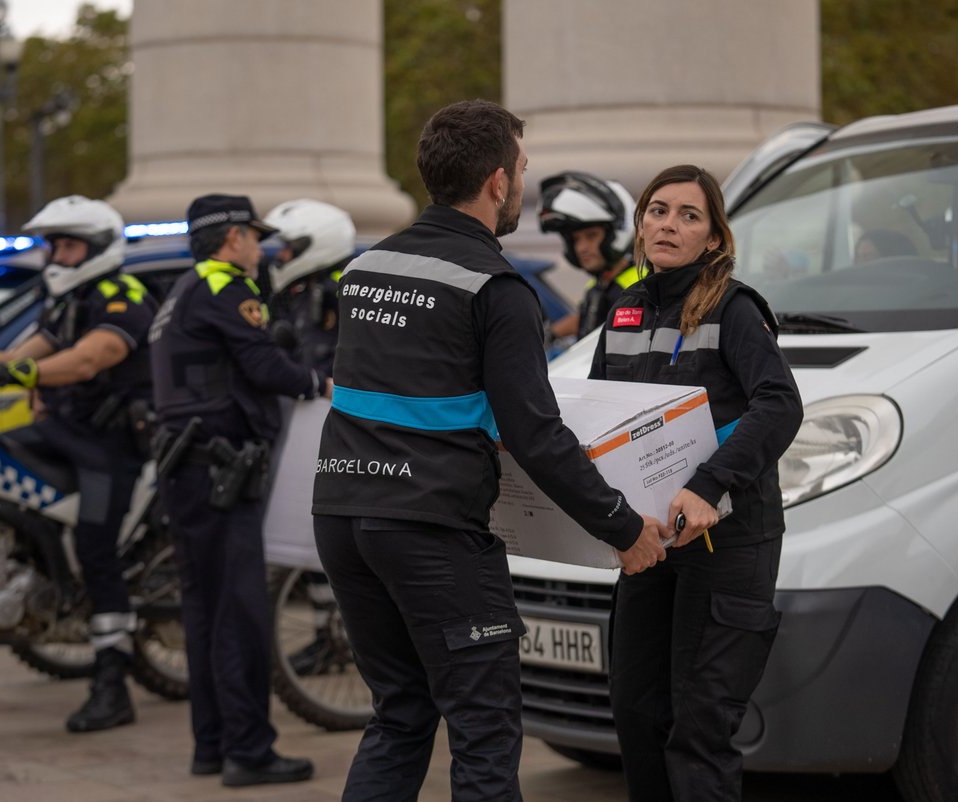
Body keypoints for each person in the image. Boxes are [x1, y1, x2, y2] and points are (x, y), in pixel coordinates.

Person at [311, 99, 670, 802]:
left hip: (343, 515)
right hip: (430, 529)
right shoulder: (498, 289)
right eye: (523, 170)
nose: (521, 185)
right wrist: (622, 528)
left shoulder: (365, 269)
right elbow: (534, 434)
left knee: (401, 713)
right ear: (499, 182)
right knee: (484, 725)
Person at [589, 164, 803, 802]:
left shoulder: (734, 309)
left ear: (714, 238)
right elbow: (597, 413)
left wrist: (709, 487)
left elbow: (779, 405)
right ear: (640, 224)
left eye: (688, 215)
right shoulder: (622, 310)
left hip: (728, 545)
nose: (668, 224)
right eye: (658, 210)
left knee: (699, 731)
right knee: (636, 714)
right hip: (648, 543)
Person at [0, 195, 157, 734]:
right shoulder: (67, 298)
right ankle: (42, 572)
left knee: (97, 549)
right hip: (65, 433)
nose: (56, 255)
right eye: (53, 244)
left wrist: (17, 375)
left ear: (95, 249)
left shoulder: (123, 295)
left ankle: (112, 683)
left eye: (67, 245)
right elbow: (28, 349)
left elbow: (88, 358)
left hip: (111, 446)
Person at [148, 194, 325, 788]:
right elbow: (269, 368)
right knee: (242, 612)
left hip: (189, 470)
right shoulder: (225, 288)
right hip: (221, 473)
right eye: (255, 236)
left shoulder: (179, 291)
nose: (262, 247)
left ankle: (213, 744)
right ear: (232, 240)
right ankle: (249, 751)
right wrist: (320, 382)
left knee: (203, 610)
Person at [539, 170, 640, 341]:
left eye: (591, 236)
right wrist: (550, 333)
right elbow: (589, 319)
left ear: (615, 234)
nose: (581, 248)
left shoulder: (636, 290)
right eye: (576, 239)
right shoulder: (601, 283)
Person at [261, 198, 356, 376]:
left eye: (289, 247)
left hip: (331, 393)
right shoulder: (302, 288)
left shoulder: (343, 290)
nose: (281, 255)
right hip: (308, 388)